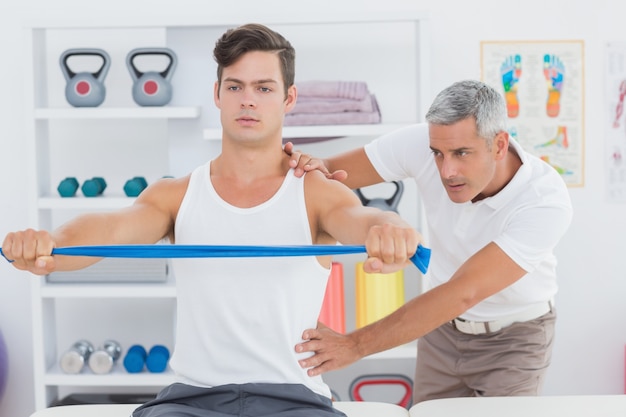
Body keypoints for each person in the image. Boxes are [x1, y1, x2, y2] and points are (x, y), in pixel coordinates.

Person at [2, 24, 421, 416]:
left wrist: (392, 230)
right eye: (235, 86)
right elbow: (110, 229)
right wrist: (49, 244)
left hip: (292, 399)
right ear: (217, 94)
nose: (248, 100)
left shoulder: (316, 192)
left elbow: (363, 218)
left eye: (264, 87)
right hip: (192, 399)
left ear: (289, 98)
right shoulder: (175, 194)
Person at [288, 79, 573, 403]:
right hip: (442, 331)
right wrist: (300, 166)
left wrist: (354, 345)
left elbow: (463, 292)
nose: (446, 170)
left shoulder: (544, 200)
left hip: (515, 339)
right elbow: (327, 173)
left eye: (461, 153)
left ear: (499, 145)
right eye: (438, 153)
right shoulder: (422, 143)